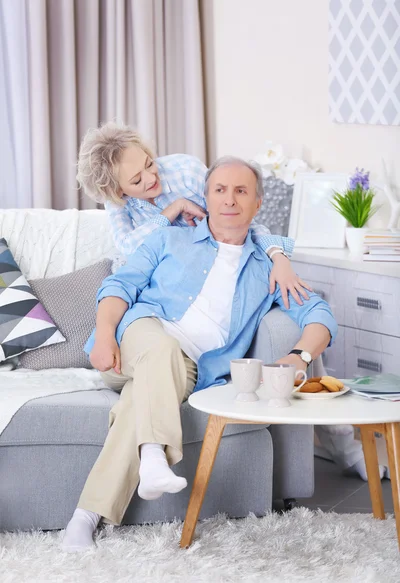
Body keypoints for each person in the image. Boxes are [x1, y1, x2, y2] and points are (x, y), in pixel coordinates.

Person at [62, 156, 337, 552]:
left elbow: (319, 313)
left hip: (188, 369)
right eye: (220, 190)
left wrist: (300, 357)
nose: (230, 199)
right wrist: (105, 334)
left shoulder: (269, 267)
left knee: (152, 385)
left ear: (257, 203)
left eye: (241, 191)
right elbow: (119, 286)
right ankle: (154, 454)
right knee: (161, 348)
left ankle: (82, 521)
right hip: (135, 340)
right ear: (206, 197)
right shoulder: (169, 238)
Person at [76, 121, 312, 309]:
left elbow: (239, 219)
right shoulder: (116, 202)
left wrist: (279, 257)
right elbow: (128, 248)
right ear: (117, 190)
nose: (150, 177)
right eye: (136, 180)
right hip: (162, 283)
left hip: (209, 271)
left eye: (149, 164)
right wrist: (173, 210)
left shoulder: (185, 173)